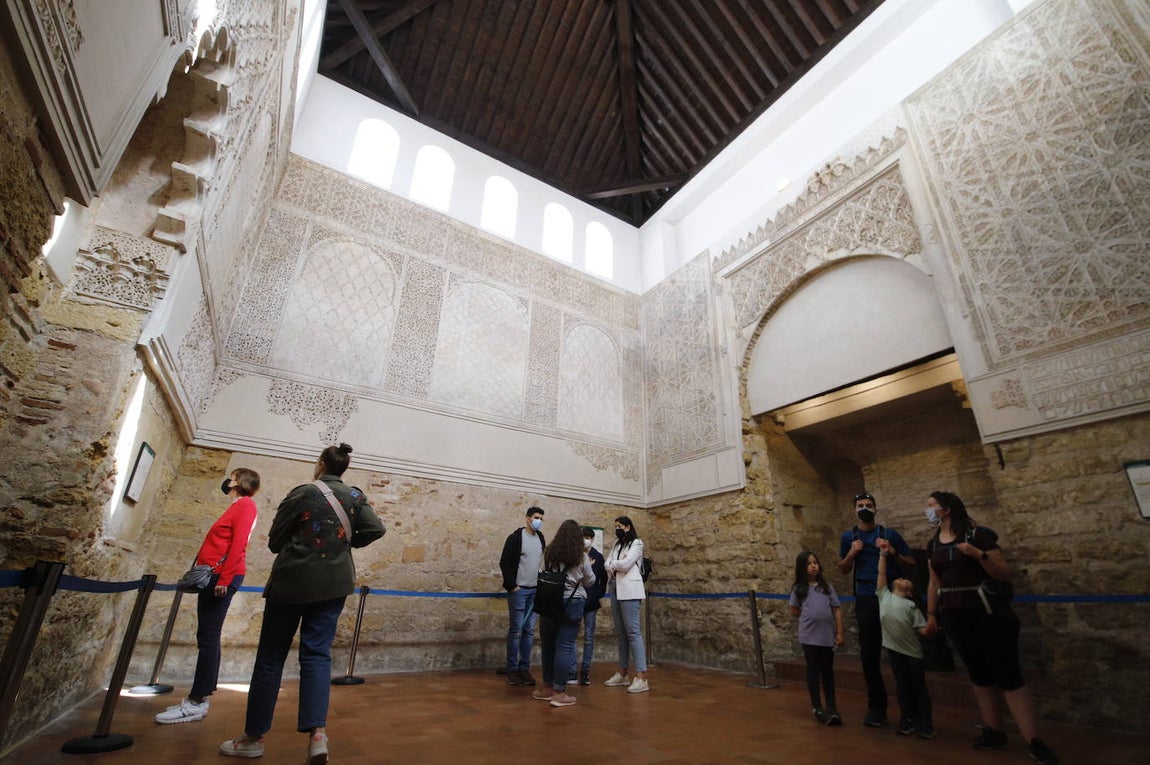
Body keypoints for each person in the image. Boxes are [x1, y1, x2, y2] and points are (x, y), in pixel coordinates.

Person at [220, 443, 384, 764]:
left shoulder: (303, 493)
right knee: (317, 656)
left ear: (321, 464)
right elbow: (375, 528)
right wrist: (347, 542)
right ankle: (318, 736)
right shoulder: (354, 497)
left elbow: (274, 541)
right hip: (334, 584)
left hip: (292, 583)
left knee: (271, 657)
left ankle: (253, 736)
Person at [923, 491, 1059, 765]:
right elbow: (934, 581)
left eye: (931, 505)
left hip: (986, 611)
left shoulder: (977, 535)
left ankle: (1033, 739)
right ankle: (993, 730)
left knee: (1007, 673)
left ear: (946, 509)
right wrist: (931, 614)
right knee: (978, 673)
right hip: (954, 612)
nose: (927, 510)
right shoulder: (933, 543)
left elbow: (1003, 572)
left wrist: (978, 555)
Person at [156, 468, 260, 725]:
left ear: (240, 482)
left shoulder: (245, 506)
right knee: (206, 636)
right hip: (217, 575)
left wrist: (224, 579)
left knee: (209, 636)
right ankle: (199, 697)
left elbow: (238, 545)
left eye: (233, 477)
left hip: (222, 576)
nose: (230, 480)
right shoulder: (237, 506)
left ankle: (197, 700)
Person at [837, 491, 913, 727]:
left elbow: (911, 562)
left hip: (891, 596)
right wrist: (852, 552)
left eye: (868, 505)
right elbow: (842, 568)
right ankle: (877, 707)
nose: (865, 508)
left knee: (901, 653)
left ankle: (909, 711)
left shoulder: (889, 535)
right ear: (854, 510)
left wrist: (892, 552)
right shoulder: (849, 536)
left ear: (876, 509)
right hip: (866, 597)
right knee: (869, 654)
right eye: (860, 505)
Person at [531, 519, 597, 707]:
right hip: (573, 602)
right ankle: (560, 692)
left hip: (549, 600)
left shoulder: (550, 552)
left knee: (548, 645)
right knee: (565, 646)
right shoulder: (581, 556)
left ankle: (547, 687)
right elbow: (590, 581)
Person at [876, 537, 934, 738]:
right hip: (895, 650)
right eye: (900, 578)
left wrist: (932, 628)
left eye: (905, 580)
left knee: (918, 687)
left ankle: (925, 722)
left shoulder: (911, 606)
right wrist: (883, 553)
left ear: (909, 592)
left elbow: (922, 630)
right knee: (902, 686)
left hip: (912, 652)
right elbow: (882, 573)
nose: (900, 579)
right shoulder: (884, 596)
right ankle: (907, 719)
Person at [789, 550, 845, 725]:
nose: (813, 566)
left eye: (815, 562)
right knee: (813, 671)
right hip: (809, 636)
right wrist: (809, 616)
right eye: (809, 563)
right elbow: (794, 610)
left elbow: (836, 609)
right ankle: (817, 706)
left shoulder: (827, 587)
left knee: (827, 672)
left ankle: (832, 707)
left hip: (826, 636)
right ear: (802, 567)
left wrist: (839, 632)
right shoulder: (799, 588)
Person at [499, 505, 546, 686]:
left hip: (535, 591)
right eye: (536, 517)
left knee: (529, 631)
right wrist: (512, 586)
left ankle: (524, 668)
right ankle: (512, 669)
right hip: (519, 591)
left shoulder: (540, 538)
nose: (539, 521)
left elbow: (539, 561)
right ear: (527, 518)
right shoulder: (515, 538)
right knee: (516, 630)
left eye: (541, 518)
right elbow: (505, 562)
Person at [602, 515, 649, 694]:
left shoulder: (637, 543)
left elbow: (627, 564)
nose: (617, 529)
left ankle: (642, 676)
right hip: (614, 587)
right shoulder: (616, 544)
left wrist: (613, 565)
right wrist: (613, 565)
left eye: (620, 526)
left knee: (633, 632)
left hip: (629, 590)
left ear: (628, 527)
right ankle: (622, 672)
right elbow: (607, 563)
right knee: (621, 633)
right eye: (615, 526)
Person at [567, 526, 607, 685]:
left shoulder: (598, 556)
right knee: (570, 636)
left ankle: (585, 671)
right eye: (584, 536)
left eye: (589, 537)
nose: (586, 539)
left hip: (591, 602)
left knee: (589, 638)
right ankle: (571, 671)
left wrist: (598, 594)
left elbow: (603, 579)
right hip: (576, 600)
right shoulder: (573, 555)